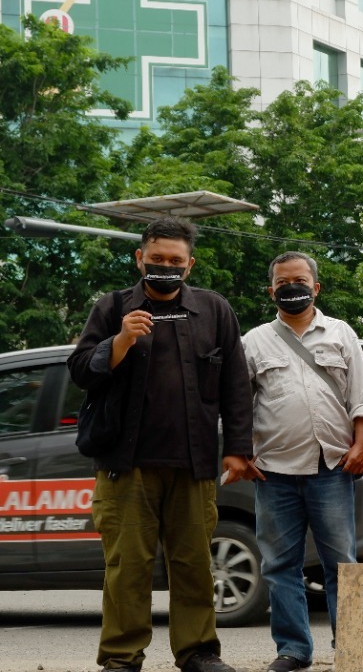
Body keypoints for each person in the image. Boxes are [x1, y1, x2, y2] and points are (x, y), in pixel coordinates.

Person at [67, 216, 253, 672]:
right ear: (140, 259)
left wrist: (239, 449)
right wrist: (121, 340)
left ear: (189, 265)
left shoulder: (214, 310)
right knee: (126, 569)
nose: (165, 267)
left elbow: (235, 384)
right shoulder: (112, 308)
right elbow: (80, 372)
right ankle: (121, 657)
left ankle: (198, 653)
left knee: (193, 566)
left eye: (175, 261)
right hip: (124, 466)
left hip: (193, 464)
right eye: (157, 260)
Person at [241, 251, 363, 672]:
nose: (291, 288)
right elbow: (237, 405)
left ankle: (350, 646)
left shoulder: (340, 333)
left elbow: (361, 395)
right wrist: (242, 454)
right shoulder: (254, 341)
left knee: (342, 566)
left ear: (316, 287)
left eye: (300, 280)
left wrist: (362, 443)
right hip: (274, 471)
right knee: (281, 566)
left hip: (332, 467)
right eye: (283, 282)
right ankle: (293, 650)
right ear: (271, 290)